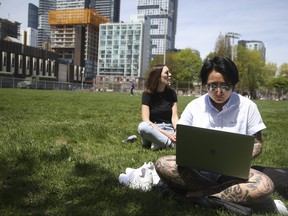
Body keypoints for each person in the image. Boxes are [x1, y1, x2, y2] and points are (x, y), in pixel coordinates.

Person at [154, 56, 275, 205]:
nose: (218, 92)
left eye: (225, 86)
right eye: (212, 86)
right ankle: (219, 194)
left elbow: (257, 143)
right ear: (205, 85)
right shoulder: (195, 106)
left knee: (265, 185)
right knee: (162, 163)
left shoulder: (248, 107)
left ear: (234, 84)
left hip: (232, 174)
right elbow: (182, 133)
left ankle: (198, 195)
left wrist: (237, 159)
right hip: (196, 171)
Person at [138, 64, 179, 151]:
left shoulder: (172, 93)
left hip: (169, 128)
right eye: (167, 73)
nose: (170, 75)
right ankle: (170, 145)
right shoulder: (147, 94)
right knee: (142, 126)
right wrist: (166, 134)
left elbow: (174, 118)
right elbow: (146, 120)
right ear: (157, 77)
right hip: (154, 129)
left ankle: (159, 143)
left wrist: (177, 130)